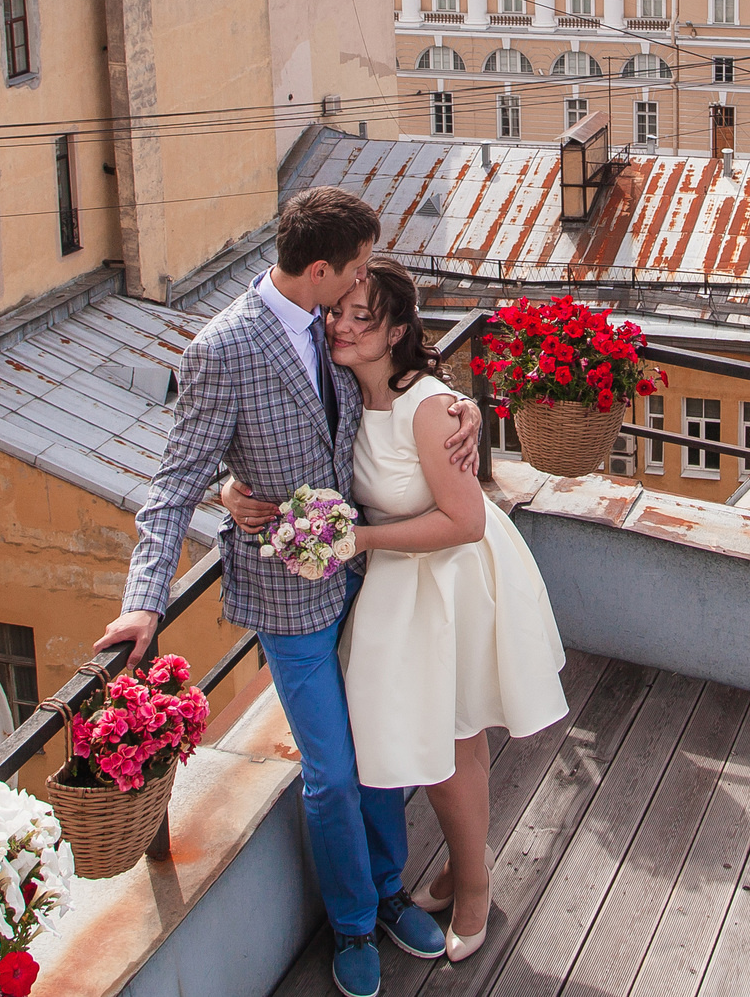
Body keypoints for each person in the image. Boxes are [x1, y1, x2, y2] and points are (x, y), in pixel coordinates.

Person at [94, 188, 479, 997]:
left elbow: (396, 381)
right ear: (321, 269)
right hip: (286, 597)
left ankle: (387, 890)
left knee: (380, 748)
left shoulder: (336, 325)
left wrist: (462, 408)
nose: (366, 280)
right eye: (360, 266)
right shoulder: (222, 349)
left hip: (367, 582)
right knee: (332, 772)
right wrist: (145, 600)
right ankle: (352, 924)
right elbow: (173, 484)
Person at [226, 263, 566, 963]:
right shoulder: (341, 387)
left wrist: (360, 539)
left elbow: (466, 521)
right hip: (399, 586)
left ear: (397, 332)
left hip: (449, 581)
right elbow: (268, 435)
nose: (342, 326)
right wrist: (232, 489)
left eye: (364, 318)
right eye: (338, 312)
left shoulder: (429, 407)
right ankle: (463, 866)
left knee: (450, 745)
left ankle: (474, 887)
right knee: (446, 742)